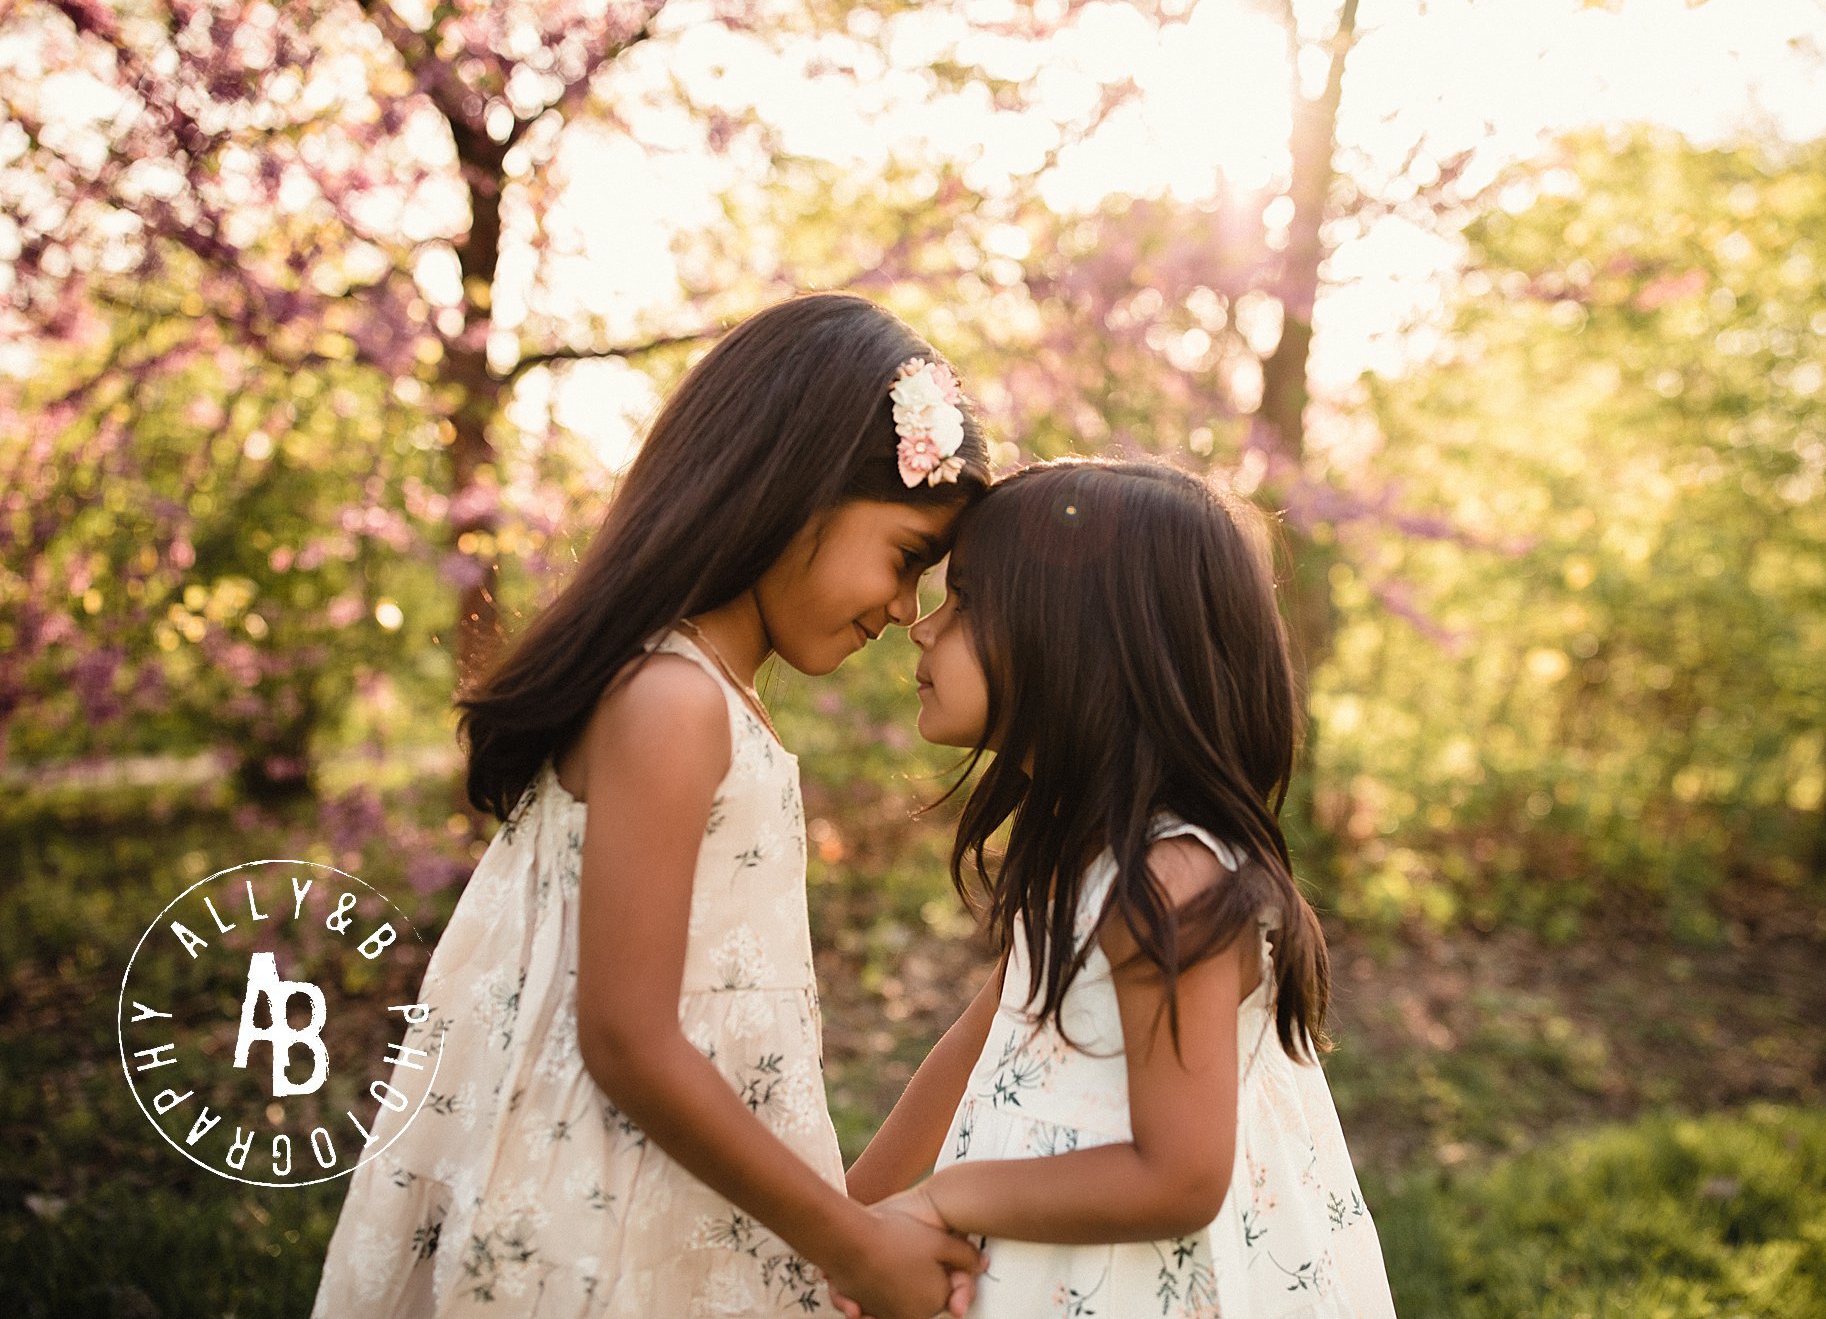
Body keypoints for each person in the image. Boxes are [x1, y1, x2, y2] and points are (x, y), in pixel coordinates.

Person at [312, 292, 993, 1319]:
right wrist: (848, 1244)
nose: (904, 613)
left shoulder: (705, 698)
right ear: (792, 490)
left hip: (679, 1194)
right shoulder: (672, 701)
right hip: (600, 1211)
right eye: (904, 559)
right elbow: (627, 1038)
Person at [839, 459, 1399, 1318]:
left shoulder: (1169, 880)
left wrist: (940, 1199)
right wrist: (847, 1217)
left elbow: (1178, 1175)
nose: (921, 626)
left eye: (965, 603)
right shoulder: (1078, 845)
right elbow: (980, 1039)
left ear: (1078, 640)